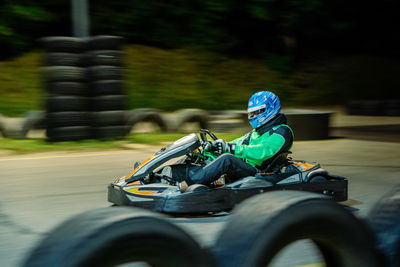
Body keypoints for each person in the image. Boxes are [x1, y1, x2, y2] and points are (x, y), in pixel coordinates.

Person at [179, 90, 294, 192]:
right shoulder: (256, 132)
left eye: (257, 112)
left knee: (227, 159)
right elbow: (237, 143)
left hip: (260, 174)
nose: (253, 116)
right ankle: (174, 175)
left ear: (270, 108)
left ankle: (187, 184)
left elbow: (263, 151)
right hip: (247, 168)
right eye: (252, 113)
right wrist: (215, 147)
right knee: (200, 154)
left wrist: (231, 149)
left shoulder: (282, 131)